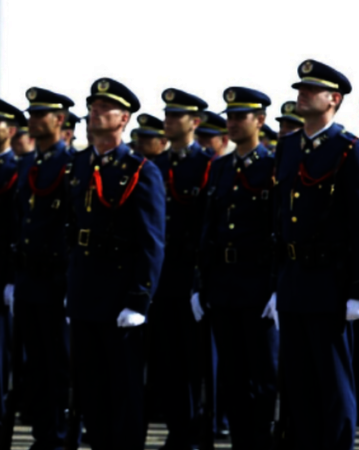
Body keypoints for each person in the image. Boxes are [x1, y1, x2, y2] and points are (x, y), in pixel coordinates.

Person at [67, 77, 165, 449]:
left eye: (104, 107)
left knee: (123, 389)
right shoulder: (78, 165)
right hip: (84, 293)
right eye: (92, 106)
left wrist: (140, 298)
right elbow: (71, 228)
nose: (95, 112)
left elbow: (151, 242)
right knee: (89, 388)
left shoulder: (140, 170)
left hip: (120, 294)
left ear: (123, 118)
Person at [274, 59, 359, 450]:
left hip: (331, 282)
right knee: (298, 384)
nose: (302, 94)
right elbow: (279, 218)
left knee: (333, 383)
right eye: (300, 88)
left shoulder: (349, 150)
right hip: (293, 281)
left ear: (335, 99)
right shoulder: (289, 147)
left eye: (312, 89)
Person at [192, 87, 278, 449]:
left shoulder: (272, 166)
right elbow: (208, 228)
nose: (233, 122)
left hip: (257, 285)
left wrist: (277, 286)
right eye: (230, 116)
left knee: (262, 377)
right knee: (231, 376)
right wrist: (200, 283)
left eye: (241, 116)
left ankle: (260, 443)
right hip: (223, 285)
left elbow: (279, 227)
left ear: (260, 121)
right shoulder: (221, 167)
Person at [147, 88, 212, 450]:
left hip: (191, 278)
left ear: (194, 122)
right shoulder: (156, 165)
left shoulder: (206, 165)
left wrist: (202, 280)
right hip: (163, 279)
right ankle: (179, 430)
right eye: (167, 115)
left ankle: (200, 429)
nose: (169, 121)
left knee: (196, 362)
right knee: (167, 362)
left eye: (177, 116)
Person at [14, 87, 74, 449]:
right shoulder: (29, 164)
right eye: (31, 115)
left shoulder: (69, 164)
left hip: (56, 279)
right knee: (35, 363)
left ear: (60, 120)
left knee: (58, 364)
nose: (34, 121)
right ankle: (42, 434)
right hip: (28, 278)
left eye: (42, 115)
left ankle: (61, 435)